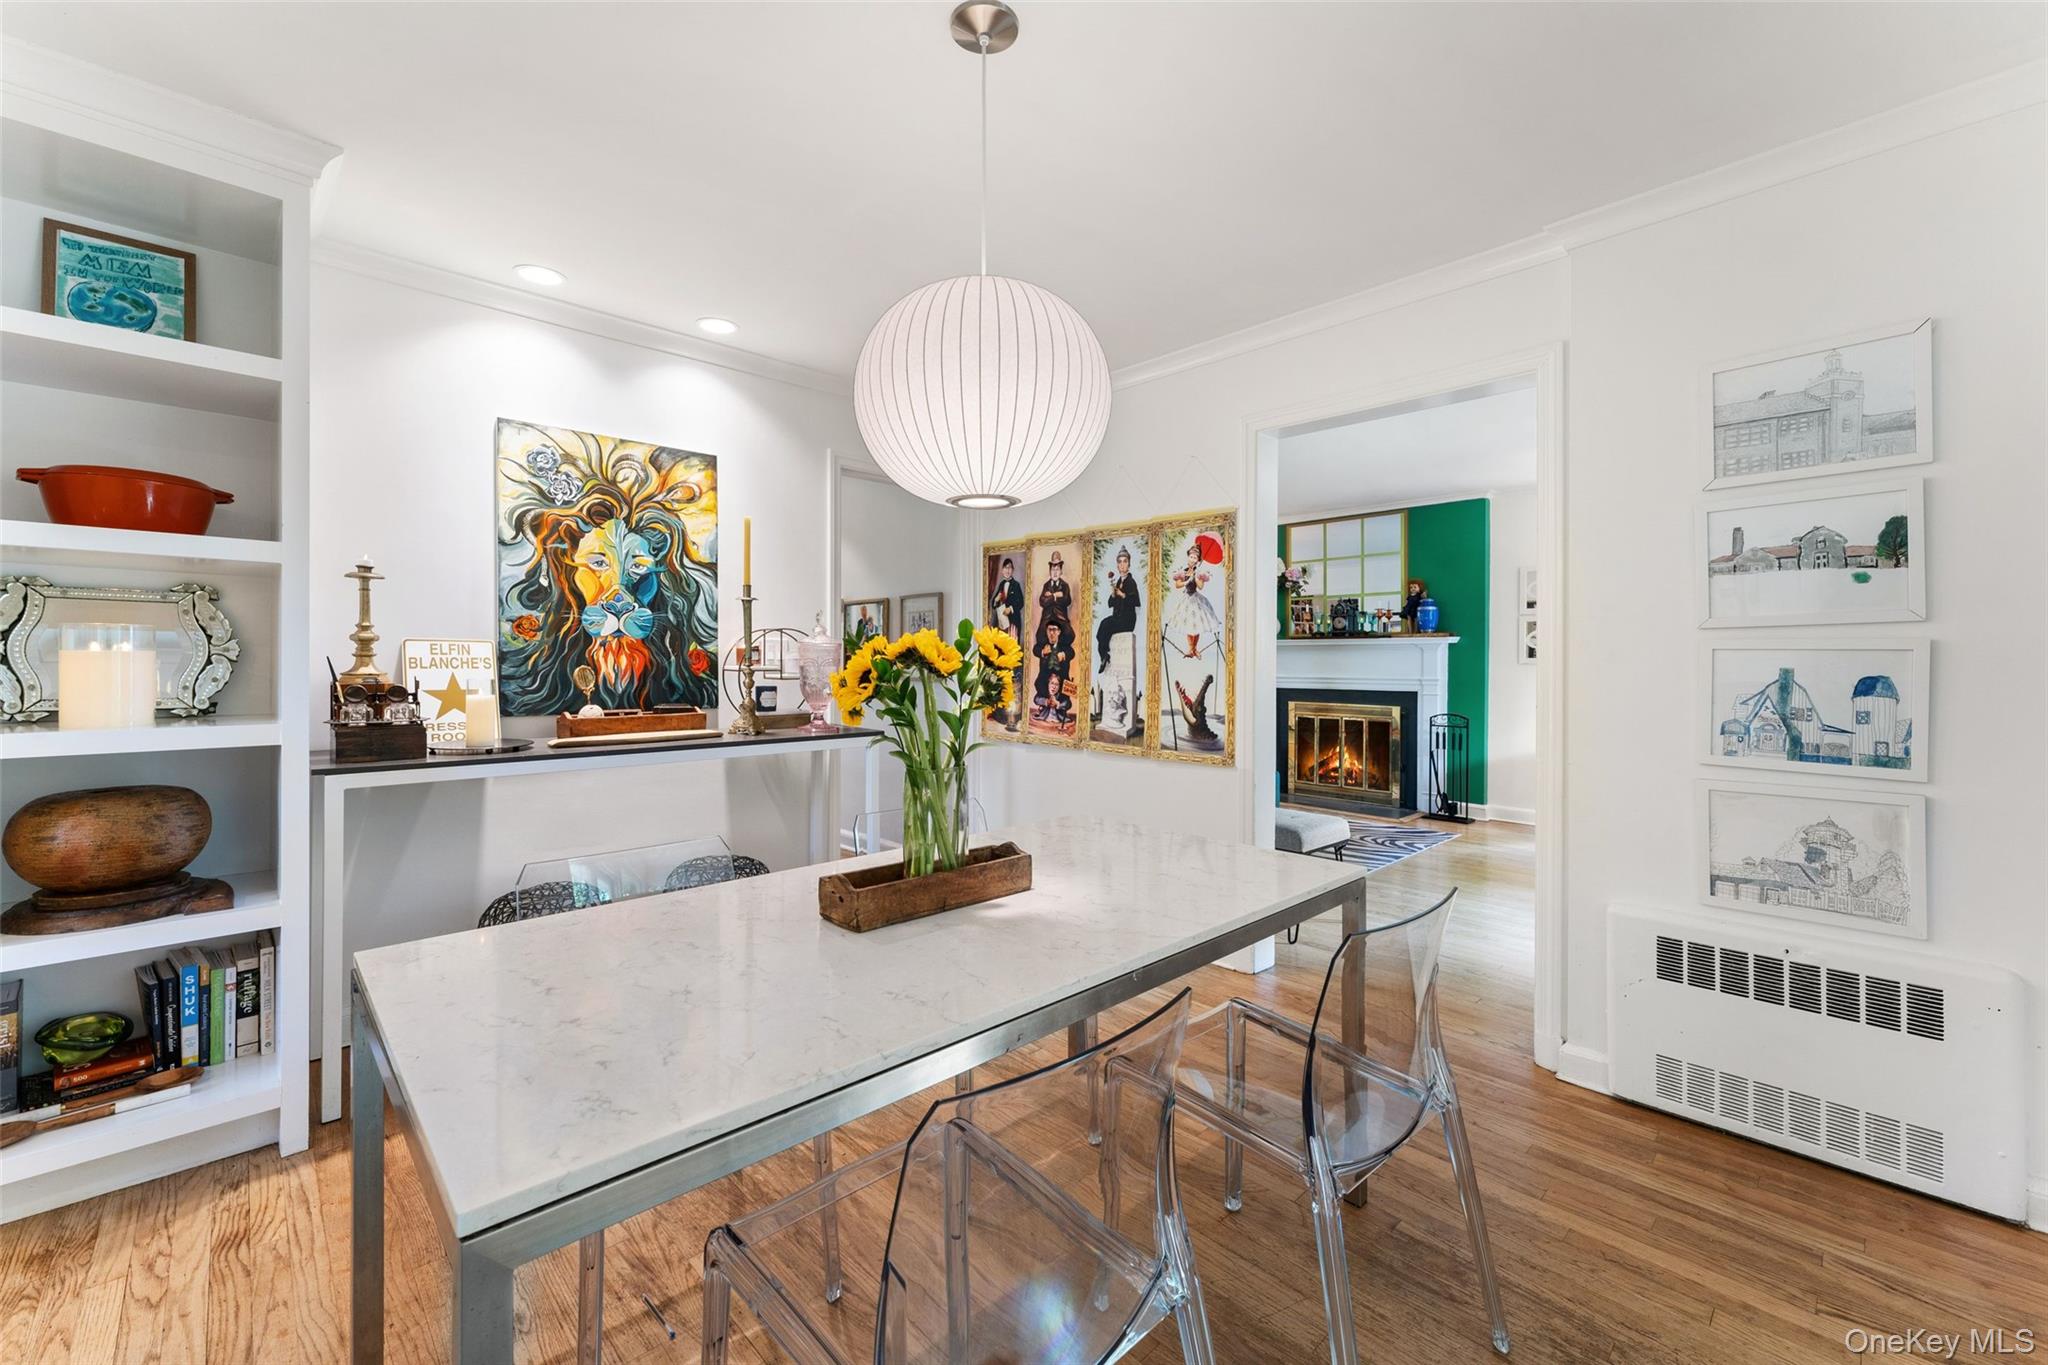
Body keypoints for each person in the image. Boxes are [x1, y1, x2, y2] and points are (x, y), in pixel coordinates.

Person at [1164, 536, 1223, 660]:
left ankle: (1193, 649)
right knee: (1188, 625)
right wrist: (1185, 582)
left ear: (1197, 560)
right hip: (1186, 598)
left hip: (1195, 599)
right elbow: (1177, 584)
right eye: (1191, 556)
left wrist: (1196, 578)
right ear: (1188, 557)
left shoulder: (1199, 572)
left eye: (1195, 557)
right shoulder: (1183, 571)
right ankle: (1191, 649)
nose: (1192, 559)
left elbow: (1200, 587)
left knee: (1196, 625)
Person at [1096, 546, 1141, 669]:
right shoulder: (1117, 583)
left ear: (1129, 564)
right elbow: (1110, 603)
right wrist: (1113, 594)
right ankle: (1104, 655)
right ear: (1117, 565)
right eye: (1120, 562)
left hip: (1127, 620)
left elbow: (1136, 601)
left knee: (1106, 625)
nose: (1122, 565)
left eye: (1125, 561)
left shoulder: (1131, 582)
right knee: (1101, 628)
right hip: (1117, 618)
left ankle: (1105, 655)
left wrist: (1123, 595)